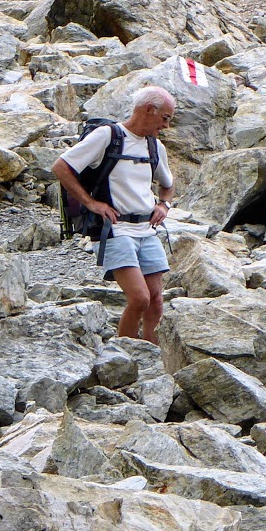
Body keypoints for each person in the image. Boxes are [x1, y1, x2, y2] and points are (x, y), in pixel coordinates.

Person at [52, 85, 177, 343]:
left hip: (147, 230)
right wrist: (90, 203)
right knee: (139, 298)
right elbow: (61, 167)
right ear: (149, 110)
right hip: (114, 229)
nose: (166, 126)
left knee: (155, 300)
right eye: (165, 118)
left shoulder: (155, 147)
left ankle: (152, 354)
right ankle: (125, 352)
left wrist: (164, 205)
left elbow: (168, 184)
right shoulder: (107, 136)